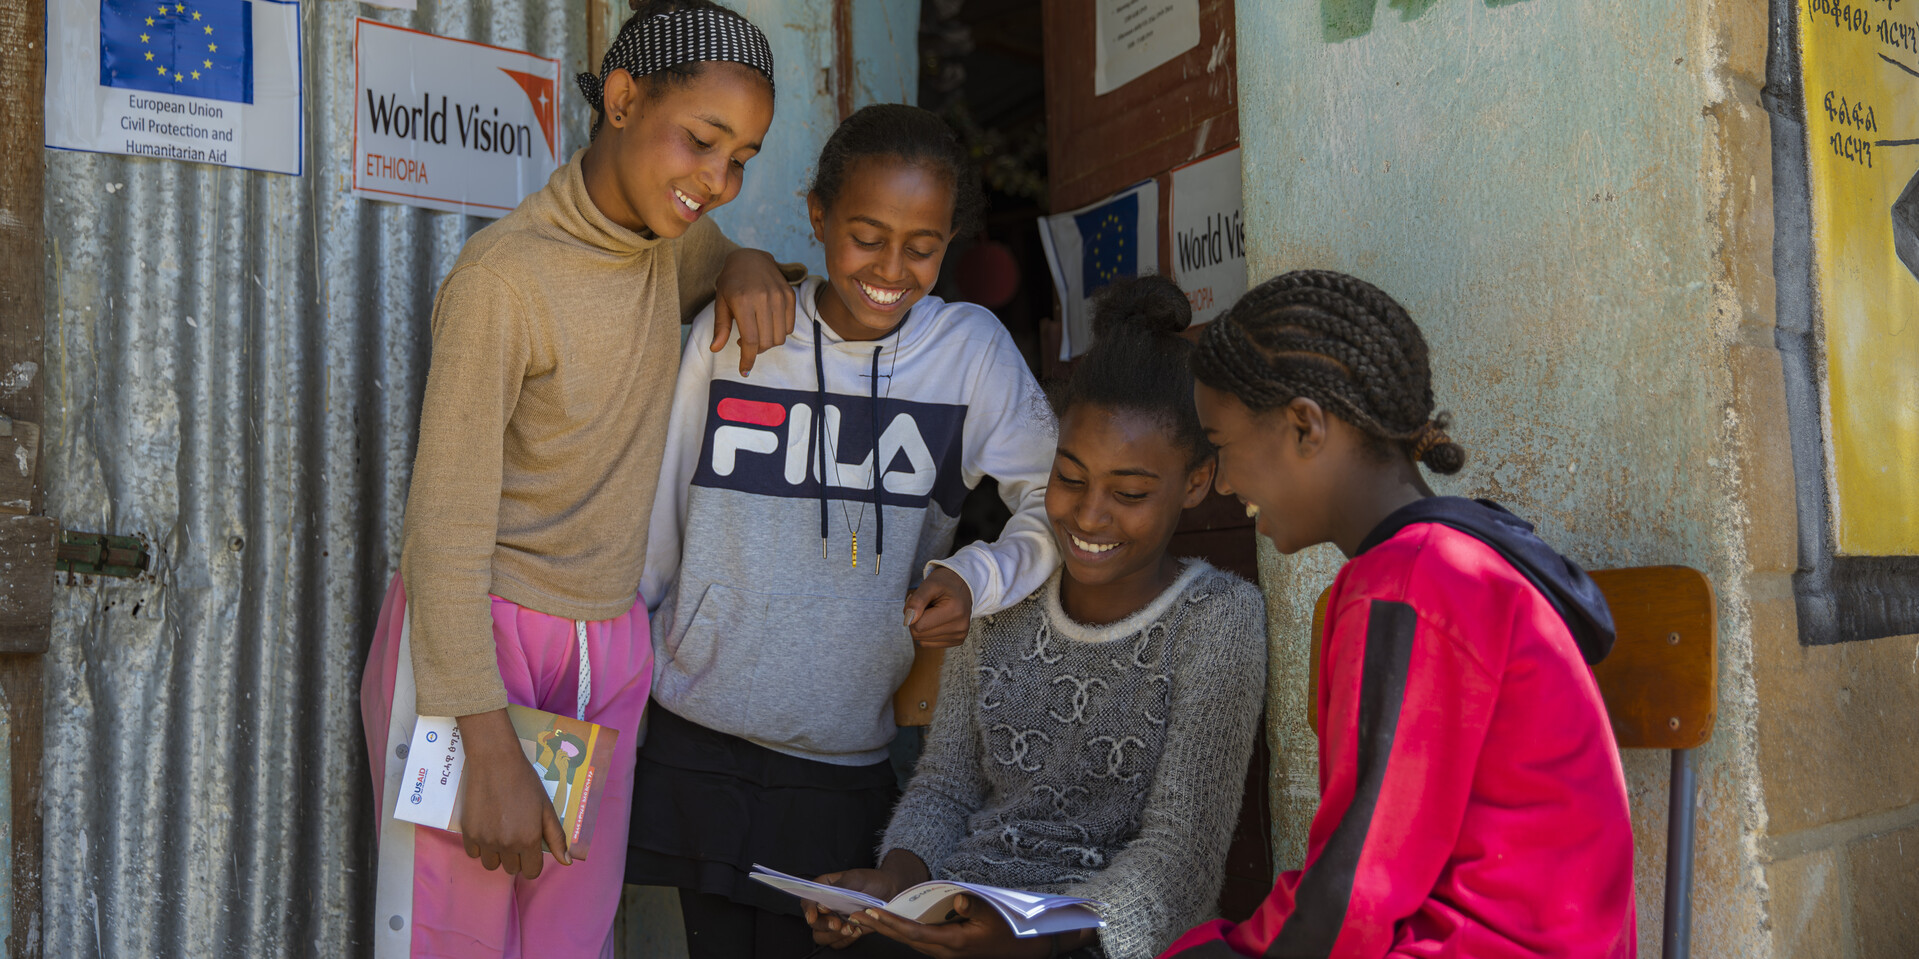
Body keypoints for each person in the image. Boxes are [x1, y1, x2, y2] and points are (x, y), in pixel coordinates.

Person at [358, 3, 803, 956]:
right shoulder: (503, 281)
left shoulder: (666, 244)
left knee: (571, 937)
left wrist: (749, 260)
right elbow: (441, 530)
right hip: (480, 654)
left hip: (607, 643)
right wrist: (484, 741)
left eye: (741, 158)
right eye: (702, 141)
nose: (718, 180)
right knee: (455, 938)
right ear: (624, 99)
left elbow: (720, 257)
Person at [626, 103, 1061, 958]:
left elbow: (1057, 500)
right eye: (866, 237)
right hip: (695, 730)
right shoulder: (740, 326)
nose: (891, 269)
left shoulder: (968, 352)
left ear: (950, 240)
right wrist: (619, 688)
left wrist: (976, 577)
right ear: (818, 215)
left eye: (922, 246)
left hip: (843, 751)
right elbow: (660, 516)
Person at [1160, 270, 1636, 958]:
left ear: (1304, 426)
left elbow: (1357, 886)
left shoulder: (1413, 581)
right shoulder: (1446, 558)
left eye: (1221, 445)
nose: (1224, 481)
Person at [799, 275, 1269, 959]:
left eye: (1129, 493)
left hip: (1094, 936)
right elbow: (946, 788)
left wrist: (1037, 931)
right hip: (964, 912)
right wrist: (894, 885)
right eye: (1070, 478)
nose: (1089, 515)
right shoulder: (1004, 597)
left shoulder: (1217, 619)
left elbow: (1180, 857)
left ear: (1195, 482)